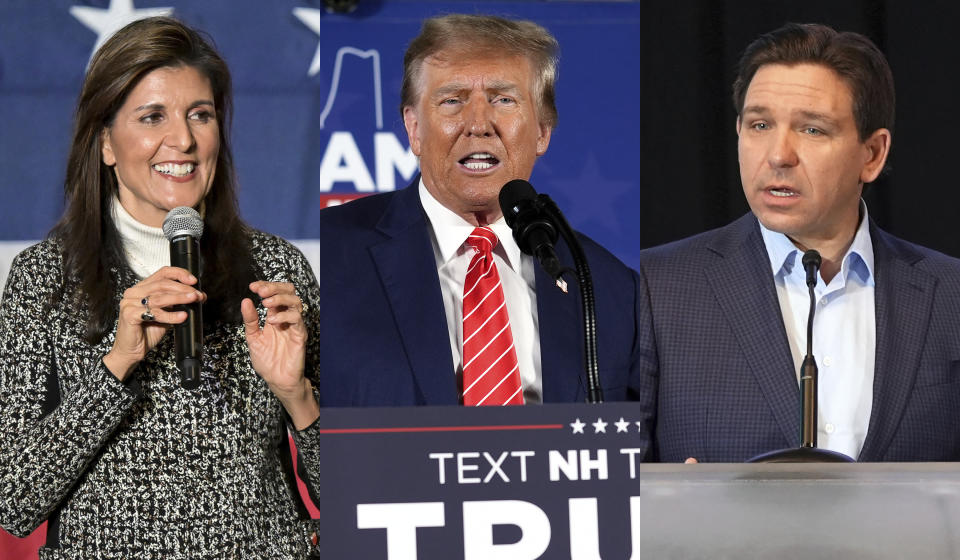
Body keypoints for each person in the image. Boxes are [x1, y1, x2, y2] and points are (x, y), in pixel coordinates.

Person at [0, 17, 325, 557]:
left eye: (201, 115)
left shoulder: (275, 268)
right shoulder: (45, 278)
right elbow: (14, 502)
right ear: (105, 143)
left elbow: (359, 495)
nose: (184, 139)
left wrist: (298, 397)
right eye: (153, 117)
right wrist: (118, 363)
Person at [633, 23, 960, 463]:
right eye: (760, 124)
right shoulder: (654, 288)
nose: (778, 155)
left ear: (873, 154)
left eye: (812, 130)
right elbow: (607, 495)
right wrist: (676, 507)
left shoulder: (950, 295)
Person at [298, 14, 644, 408]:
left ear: (543, 131)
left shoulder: (608, 287)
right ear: (413, 129)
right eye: (452, 100)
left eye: (503, 99)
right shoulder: (332, 259)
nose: (478, 125)